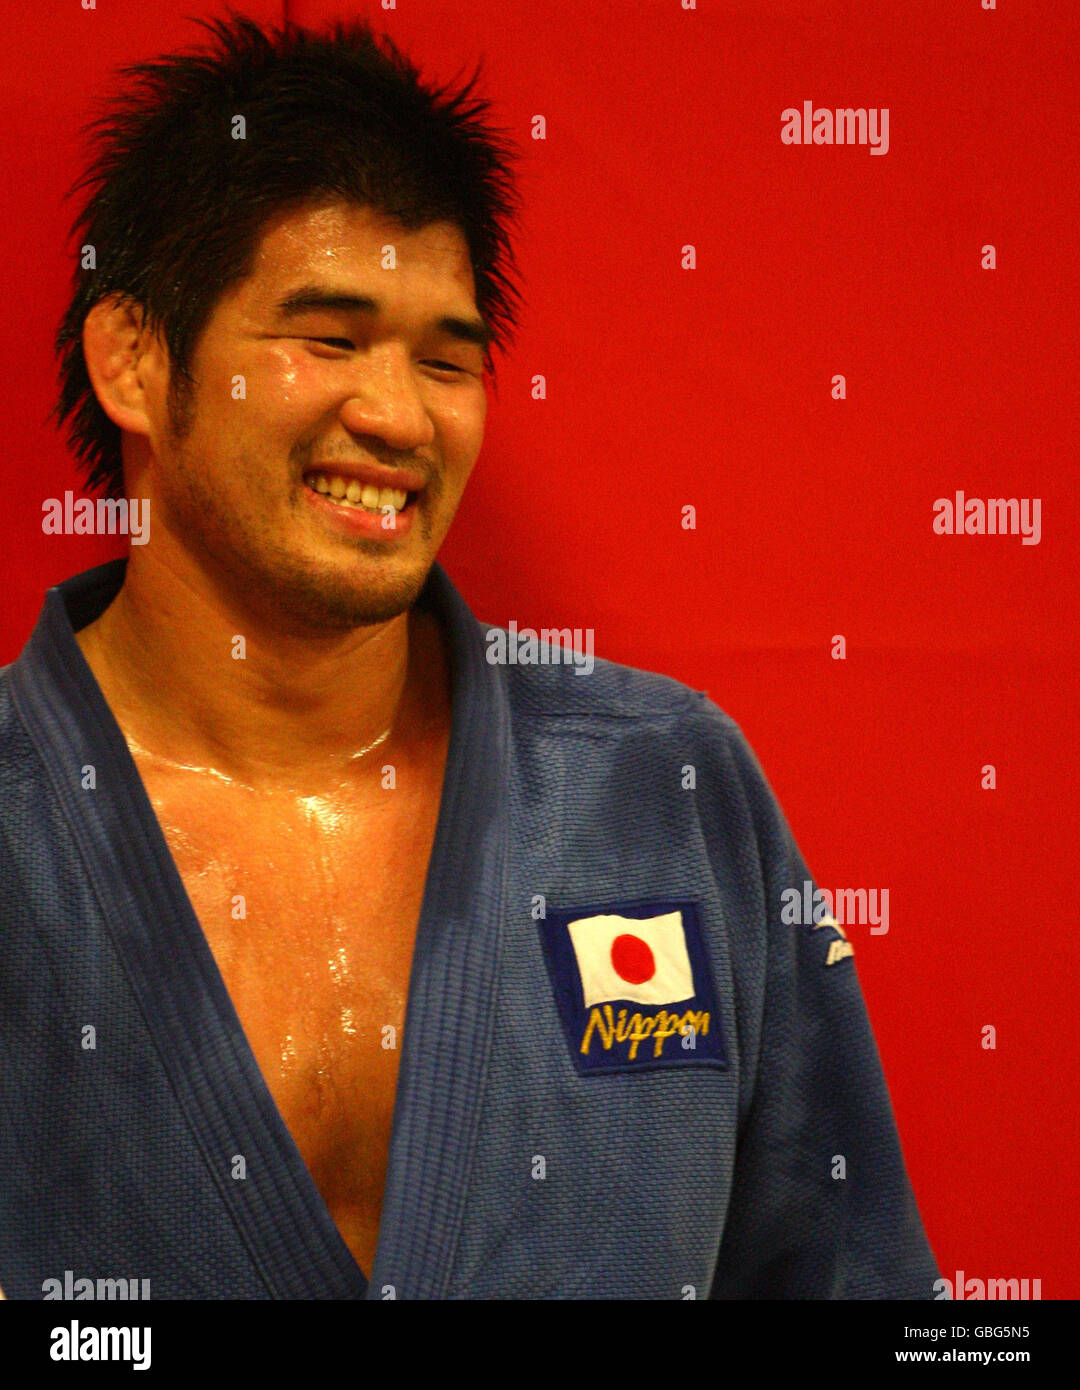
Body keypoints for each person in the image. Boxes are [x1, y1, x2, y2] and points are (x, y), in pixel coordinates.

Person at [0, 14, 938, 1300]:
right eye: (328, 339)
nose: (396, 416)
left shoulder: (663, 789)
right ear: (135, 360)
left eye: (446, 358)